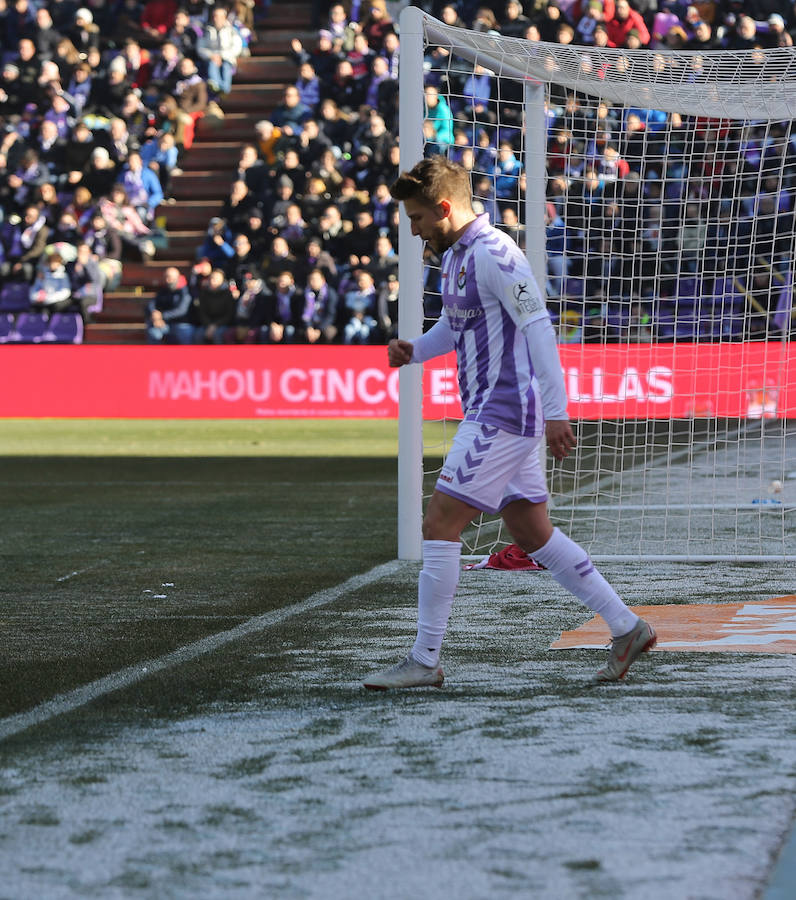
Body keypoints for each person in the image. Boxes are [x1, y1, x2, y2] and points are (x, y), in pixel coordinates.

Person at [363, 157, 656, 690]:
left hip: (502, 414)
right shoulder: (454, 257)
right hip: (497, 414)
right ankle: (626, 627)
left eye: (417, 217)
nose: (413, 229)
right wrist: (415, 351)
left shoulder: (497, 253)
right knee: (532, 532)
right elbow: (454, 330)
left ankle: (425, 661)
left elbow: (539, 327)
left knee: (439, 524)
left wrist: (556, 411)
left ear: (444, 208)